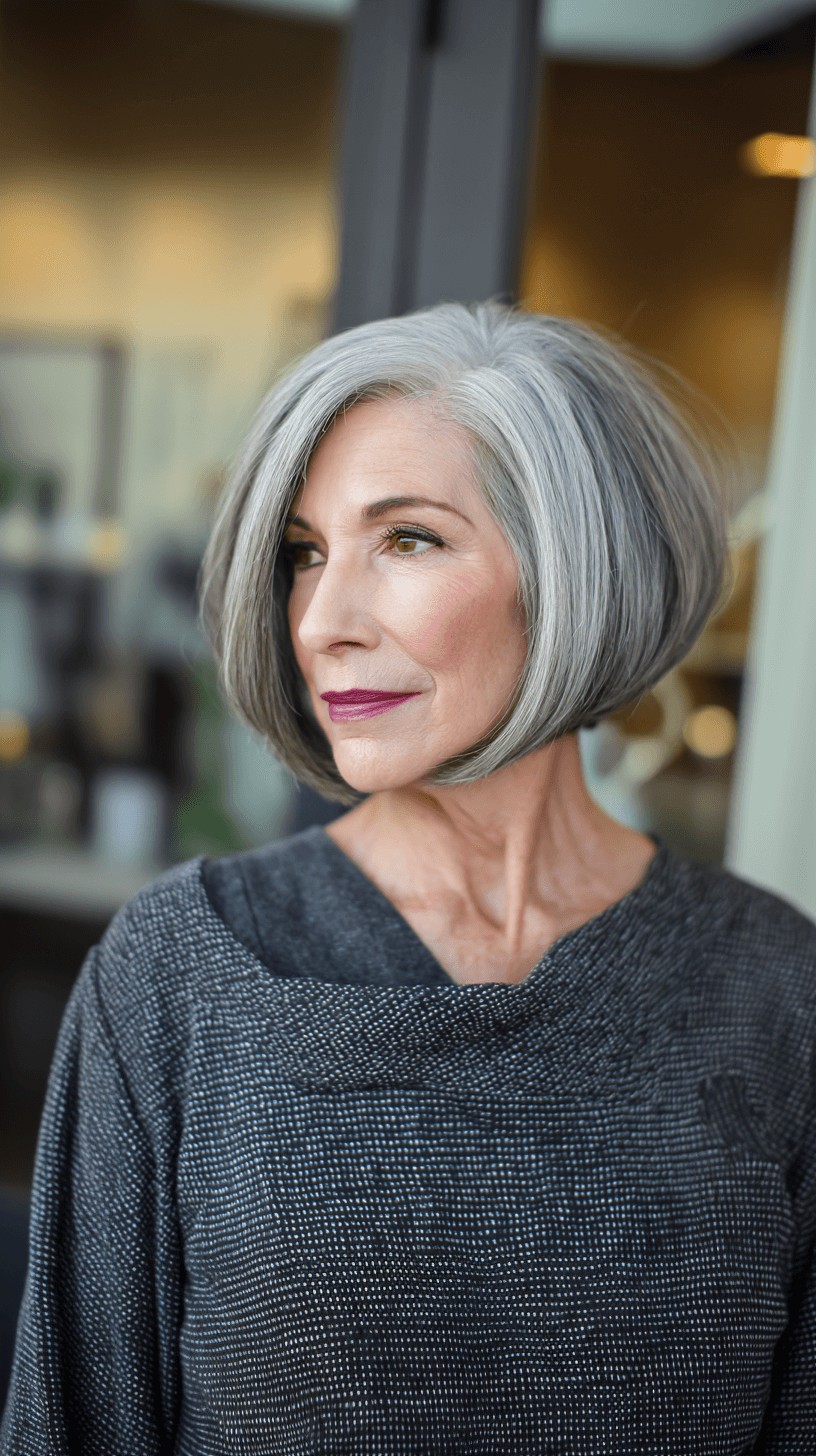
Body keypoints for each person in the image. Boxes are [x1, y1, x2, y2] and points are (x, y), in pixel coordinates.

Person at [2, 299, 815, 1453]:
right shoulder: (180, 971)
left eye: (410, 538)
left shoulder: (777, 989)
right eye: (304, 553)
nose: (323, 618)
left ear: (573, 571)